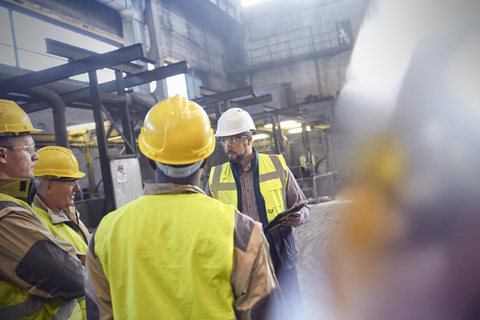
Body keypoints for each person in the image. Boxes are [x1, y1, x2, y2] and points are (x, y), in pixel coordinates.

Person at [85, 95, 288, 320]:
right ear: (205, 160)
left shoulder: (104, 234)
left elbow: (98, 314)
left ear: (151, 159)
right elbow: (266, 314)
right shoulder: (243, 232)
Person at [206, 107, 310, 319]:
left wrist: (299, 217)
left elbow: (303, 205)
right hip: (241, 259)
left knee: (293, 310)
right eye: (224, 142)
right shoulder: (215, 177)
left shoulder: (277, 165)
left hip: (279, 253)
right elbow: (206, 220)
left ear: (249, 140)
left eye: (233, 140)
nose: (228, 147)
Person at [0, 99, 84, 319]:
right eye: (29, 149)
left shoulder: (15, 206)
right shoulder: (6, 214)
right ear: (2, 155)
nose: (35, 156)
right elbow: (72, 278)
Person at [32, 146, 90, 319]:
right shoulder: (38, 226)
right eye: (71, 182)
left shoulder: (68, 214)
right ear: (49, 186)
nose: (77, 188)